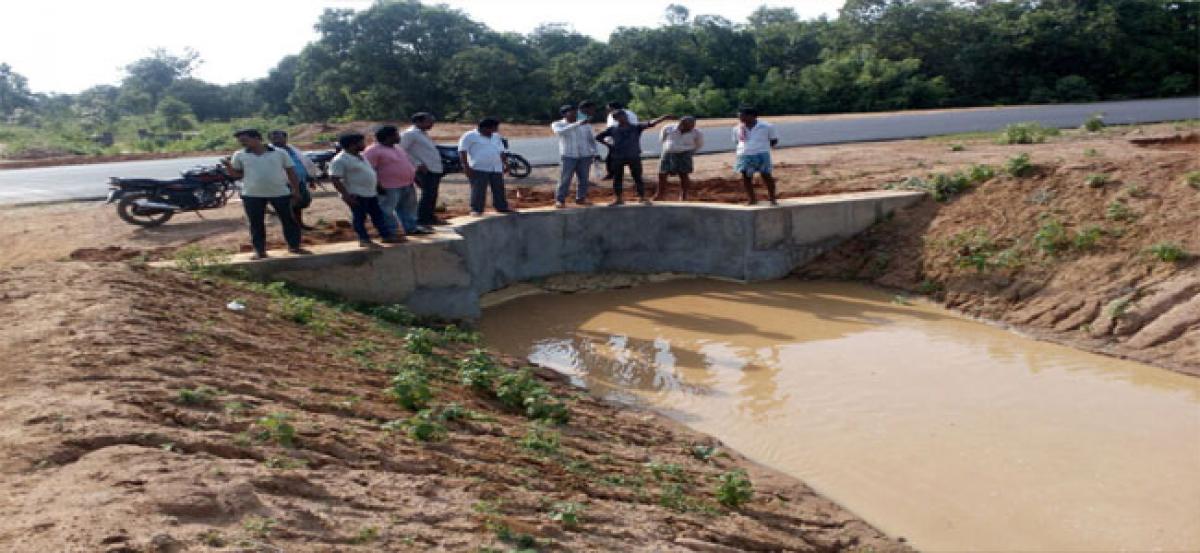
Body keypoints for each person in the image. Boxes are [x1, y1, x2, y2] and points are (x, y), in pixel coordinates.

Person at [221, 128, 306, 259]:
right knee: (256, 223)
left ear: (257, 138)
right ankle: (259, 251)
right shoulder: (239, 155)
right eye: (240, 141)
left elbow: (291, 172)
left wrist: (296, 190)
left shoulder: (279, 153)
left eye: (245, 140)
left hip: (280, 192)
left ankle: (294, 246)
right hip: (252, 194)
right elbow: (237, 175)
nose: (242, 143)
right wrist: (228, 167)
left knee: (288, 220)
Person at [329, 132, 400, 248]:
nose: (364, 144)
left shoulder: (361, 156)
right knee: (360, 218)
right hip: (356, 194)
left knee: (378, 216)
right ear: (352, 145)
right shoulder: (340, 160)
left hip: (370, 193)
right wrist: (346, 195)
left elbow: (370, 172)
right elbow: (335, 179)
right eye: (361, 142)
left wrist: (378, 185)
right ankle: (364, 239)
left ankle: (386, 236)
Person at [594, 111, 672, 206]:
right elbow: (598, 137)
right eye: (620, 117)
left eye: (624, 116)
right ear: (616, 119)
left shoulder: (636, 127)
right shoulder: (612, 129)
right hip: (618, 156)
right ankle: (618, 198)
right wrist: (609, 145)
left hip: (633, 156)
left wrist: (663, 117)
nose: (623, 118)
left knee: (637, 177)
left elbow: (651, 123)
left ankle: (642, 197)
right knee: (617, 178)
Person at [366, 125, 431, 236]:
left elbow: (408, 164)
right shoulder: (373, 151)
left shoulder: (397, 148)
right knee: (386, 210)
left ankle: (411, 227)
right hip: (388, 186)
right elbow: (369, 170)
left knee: (408, 208)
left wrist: (415, 179)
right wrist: (377, 185)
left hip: (407, 184)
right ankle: (391, 231)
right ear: (388, 136)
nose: (399, 136)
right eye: (396, 134)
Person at [458, 118, 515, 216]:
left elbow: (501, 151)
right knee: (478, 189)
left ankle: (501, 207)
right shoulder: (469, 136)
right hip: (479, 168)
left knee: (499, 188)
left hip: (496, 167)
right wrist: (465, 167)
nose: (496, 130)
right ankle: (476, 209)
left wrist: (506, 164)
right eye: (494, 128)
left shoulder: (496, 137)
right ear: (485, 128)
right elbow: (462, 151)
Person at [400, 112, 447, 226]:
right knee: (428, 194)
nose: (432, 124)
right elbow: (401, 150)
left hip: (433, 168)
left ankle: (430, 217)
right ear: (418, 122)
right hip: (423, 169)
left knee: (432, 194)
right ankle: (423, 219)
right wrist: (417, 163)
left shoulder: (422, 133)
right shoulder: (410, 134)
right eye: (429, 121)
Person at [268, 130, 319, 230]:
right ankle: (292, 227)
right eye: (273, 138)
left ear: (285, 138)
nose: (276, 140)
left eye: (278, 137)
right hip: (283, 182)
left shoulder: (292, 149)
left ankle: (299, 224)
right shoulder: (270, 152)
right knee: (289, 205)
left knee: (300, 204)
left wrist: (311, 177)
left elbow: (305, 162)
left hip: (299, 180)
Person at [550, 104, 597, 208]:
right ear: (564, 114)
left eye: (576, 112)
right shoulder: (558, 124)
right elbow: (559, 133)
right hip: (568, 156)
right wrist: (577, 124)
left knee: (584, 179)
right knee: (565, 179)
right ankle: (560, 200)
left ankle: (581, 198)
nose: (576, 114)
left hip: (585, 155)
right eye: (572, 112)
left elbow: (591, 139)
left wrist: (595, 152)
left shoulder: (585, 124)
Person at [733, 106, 779, 205]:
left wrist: (762, 148)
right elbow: (737, 141)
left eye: (742, 116)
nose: (740, 119)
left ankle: (772, 198)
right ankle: (752, 199)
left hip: (761, 153)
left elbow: (774, 140)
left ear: (751, 116)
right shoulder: (737, 128)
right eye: (739, 117)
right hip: (745, 154)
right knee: (746, 177)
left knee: (766, 176)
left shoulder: (766, 126)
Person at [656, 116, 704, 201]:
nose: (690, 128)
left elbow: (699, 144)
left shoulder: (697, 133)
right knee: (662, 173)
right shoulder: (668, 128)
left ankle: (683, 195)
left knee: (684, 174)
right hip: (668, 153)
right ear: (681, 124)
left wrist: (689, 152)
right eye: (688, 126)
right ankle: (660, 194)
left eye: (692, 126)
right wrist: (669, 147)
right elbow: (662, 139)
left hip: (684, 154)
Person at [600, 101, 639, 180]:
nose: (607, 110)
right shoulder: (612, 115)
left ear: (613, 107)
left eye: (608, 108)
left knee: (614, 158)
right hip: (619, 140)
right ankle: (613, 173)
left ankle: (612, 174)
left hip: (621, 140)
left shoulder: (624, 114)